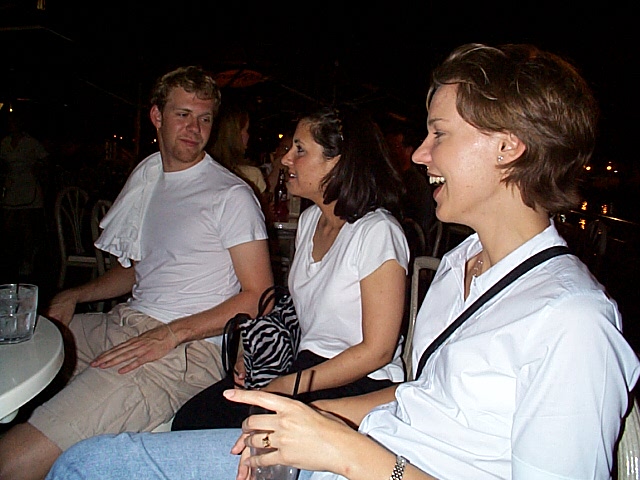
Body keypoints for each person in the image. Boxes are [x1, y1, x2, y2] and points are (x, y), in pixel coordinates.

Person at [46, 43, 640, 480]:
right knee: (91, 461)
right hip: (376, 445)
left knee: (89, 468)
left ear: (509, 147)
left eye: (439, 134)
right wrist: (311, 417)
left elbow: (379, 362)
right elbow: (417, 397)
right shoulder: (463, 262)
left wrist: (344, 449)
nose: (420, 154)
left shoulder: (571, 322)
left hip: (376, 464)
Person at [0, 65, 274, 480]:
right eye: (183, 115)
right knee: (25, 342)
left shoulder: (230, 195)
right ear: (157, 117)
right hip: (126, 322)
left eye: (204, 119)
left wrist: (170, 334)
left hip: (184, 351)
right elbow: (137, 272)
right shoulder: (149, 176)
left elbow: (259, 297)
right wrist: (76, 294)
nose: (194, 128)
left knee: (13, 457)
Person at [169, 105, 409, 430]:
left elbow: (378, 351)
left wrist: (289, 384)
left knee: (241, 428)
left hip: (360, 379)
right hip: (305, 364)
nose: (286, 159)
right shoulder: (310, 221)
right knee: (194, 417)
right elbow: (296, 311)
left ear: (338, 161)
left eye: (300, 150)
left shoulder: (377, 231)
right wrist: (251, 350)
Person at [0, 111, 50, 280]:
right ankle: (11, 257)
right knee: (8, 224)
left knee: (26, 224)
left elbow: (46, 160)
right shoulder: (5, 142)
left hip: (28, 184)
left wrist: (37, 168)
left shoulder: (30, 142)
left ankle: (28, 259)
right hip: (12, 184)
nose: (12, 125)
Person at [384, 121, 437, 254]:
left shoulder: (414, 183)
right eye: (388, 146)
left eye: (395, 146)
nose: (391, 151)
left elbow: (414, 225)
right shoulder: (392, 178)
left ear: (409, 150)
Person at [209, 101, 268, 198]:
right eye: (246, 130)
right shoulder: (252, 175)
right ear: (235, 135)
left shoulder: (204, 172)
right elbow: (262, 207)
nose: (248, 136)